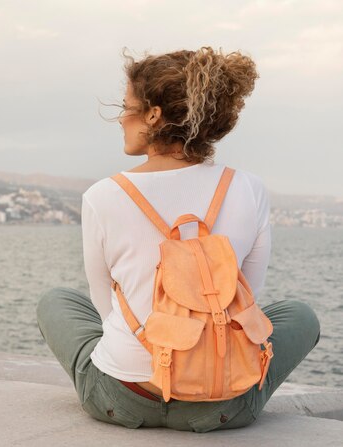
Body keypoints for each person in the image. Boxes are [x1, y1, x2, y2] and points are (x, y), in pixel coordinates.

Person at [36, 46, 320, 432]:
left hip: (124, 397)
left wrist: (147, 351)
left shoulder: (103, 195)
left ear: (153, 115)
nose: (121, 118)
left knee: (57, 301)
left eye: (126, 106)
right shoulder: (248, 188)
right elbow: (245, 296)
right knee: (299, 315)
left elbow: (104, 302)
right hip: (222, 403)